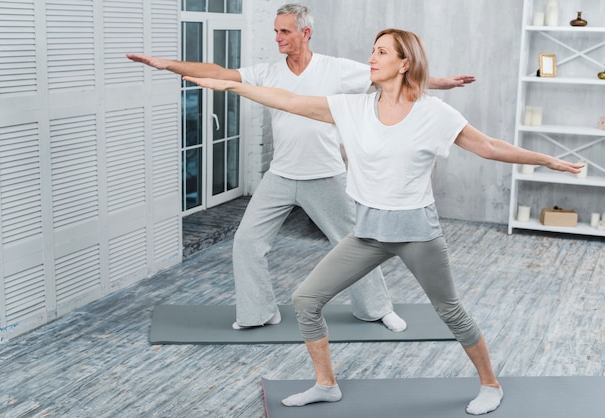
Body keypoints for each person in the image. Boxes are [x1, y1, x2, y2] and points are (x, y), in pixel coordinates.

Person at [183, 28, 584, 415]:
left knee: (450, 312)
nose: (371, 59)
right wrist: (233, 86)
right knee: (306, 300)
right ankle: (326, 384)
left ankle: (490, 385)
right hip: (368, 233)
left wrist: (546, 160)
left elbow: (490, 147)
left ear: (405, 63)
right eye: (372, 51)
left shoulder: (433, 113)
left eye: (382, 52)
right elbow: (288, 100)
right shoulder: (353, 107)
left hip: (417, 234)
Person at [127, 3, 476, 332]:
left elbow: (393, 78)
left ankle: (377, 309)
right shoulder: (266, 71)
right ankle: (257, 313)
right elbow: (219, 73)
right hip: (280, 175)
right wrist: (166, 64)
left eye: (284, 32)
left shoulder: (336, 68)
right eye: (275, 31)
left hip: (326, 175)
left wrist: (442, 82)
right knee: (247, 242)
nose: (277, 37)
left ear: (305, 33)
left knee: (358, 242)